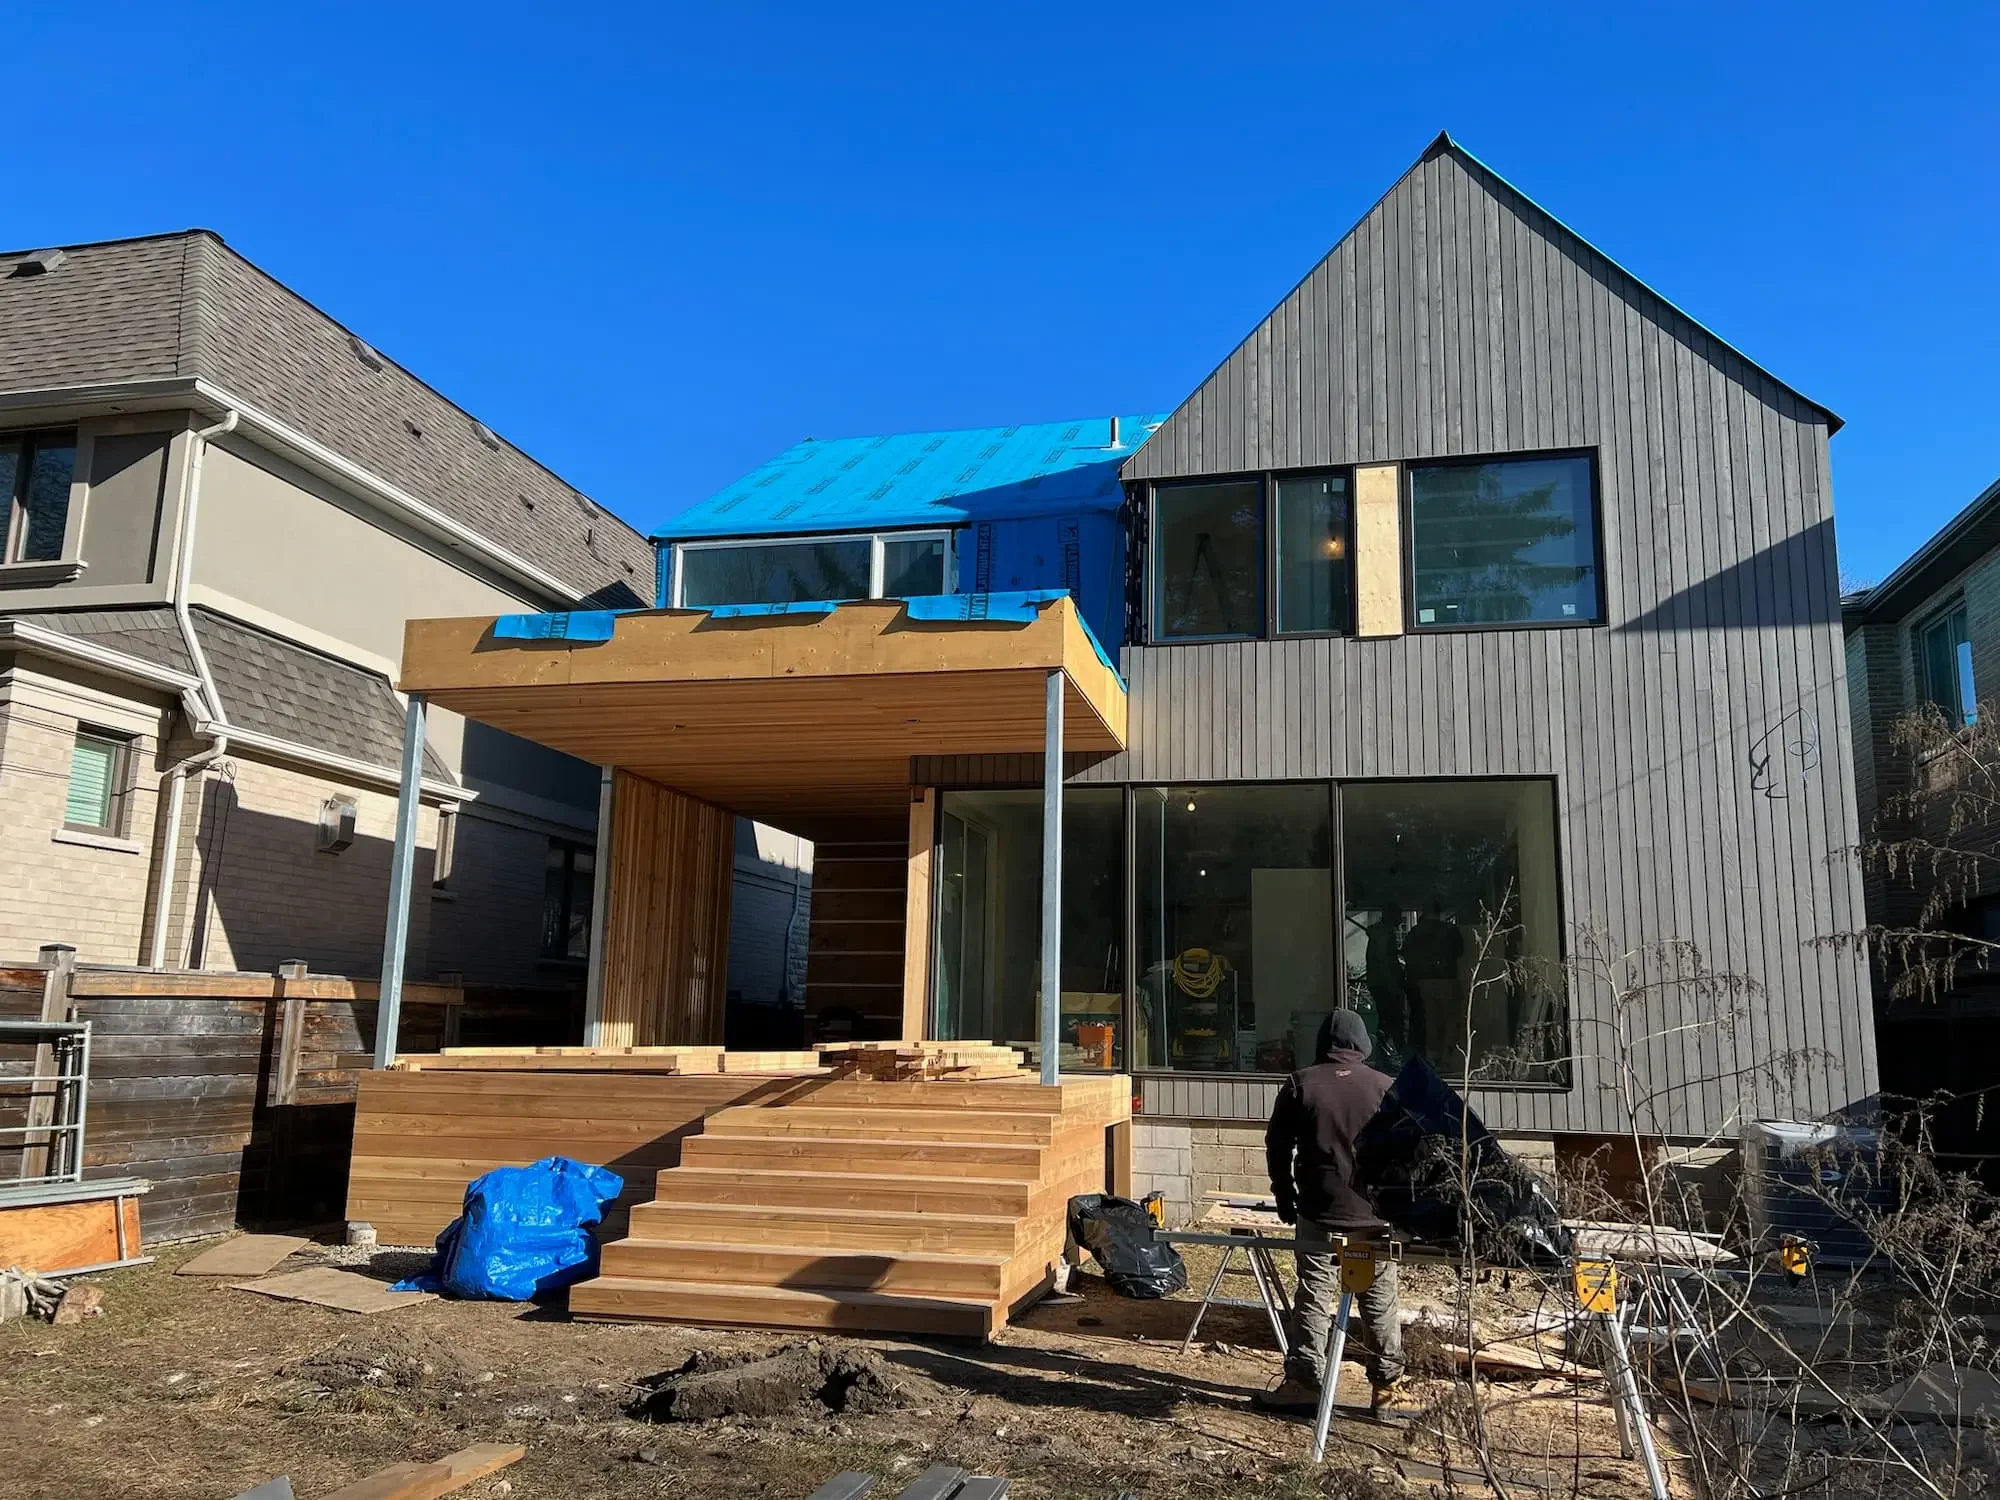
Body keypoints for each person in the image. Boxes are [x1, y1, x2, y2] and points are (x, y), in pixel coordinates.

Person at [1258, 1008, 1405, 1411]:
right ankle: (1386, 1391)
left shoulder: (1300, 1084)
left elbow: (1277, 1145)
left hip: (1319, 1209)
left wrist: (1284, 1194)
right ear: (1363, 1043)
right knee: (1379, 1300)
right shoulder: (1386, 1087)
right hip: (1374, 1215)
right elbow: (1407, 1153)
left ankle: (1305, 1385)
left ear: (1323, 1043)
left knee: (1314, 1295)